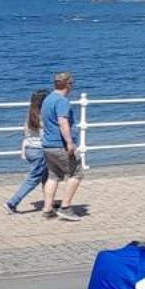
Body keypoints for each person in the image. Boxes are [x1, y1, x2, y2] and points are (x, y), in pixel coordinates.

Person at [40, 70, 84, 220]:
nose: (72, 86)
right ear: (67, 84)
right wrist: (70, 142)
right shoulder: (62, 101)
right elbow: (62, 122)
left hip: (47, 145)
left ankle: (47, 209)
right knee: (76, 174)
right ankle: (65, 207)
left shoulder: (47, 99)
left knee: (53, 176)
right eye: (71, 83)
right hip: (60, 145)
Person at [5, 88, 49, 215]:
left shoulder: (30, 114)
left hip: (30, 148)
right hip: (39, 150)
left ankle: (48, 202)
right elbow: (45, 134)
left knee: (46, 175)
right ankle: (12, 202)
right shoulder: (42, 116)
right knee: (34, 178)